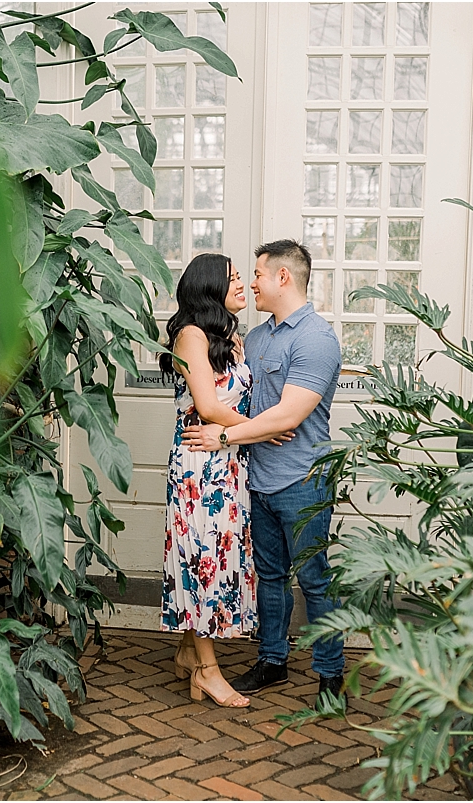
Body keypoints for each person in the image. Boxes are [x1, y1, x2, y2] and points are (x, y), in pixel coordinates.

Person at [181, 239, 345, 706]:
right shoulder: (253, 339)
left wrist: (224, 437)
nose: (251, 283)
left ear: (283, 278)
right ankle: (272, 661)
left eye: (257, 274)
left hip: (302, 480)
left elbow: (289, 416)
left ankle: (330, 675)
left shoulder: (316, 338)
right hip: (254, 479)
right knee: (269, 577)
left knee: (313, 577)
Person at [159, 253, 294, 708]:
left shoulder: (227, 338)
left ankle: (186, 652)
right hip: (201, 467)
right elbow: (209, 406)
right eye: (235, 278)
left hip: (228, 464)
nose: (243, 285)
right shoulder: (191, 335)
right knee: (202, 560)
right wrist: (264, 430)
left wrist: (241, 436)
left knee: (218, 556)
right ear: (211, 288)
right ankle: (209, 672)